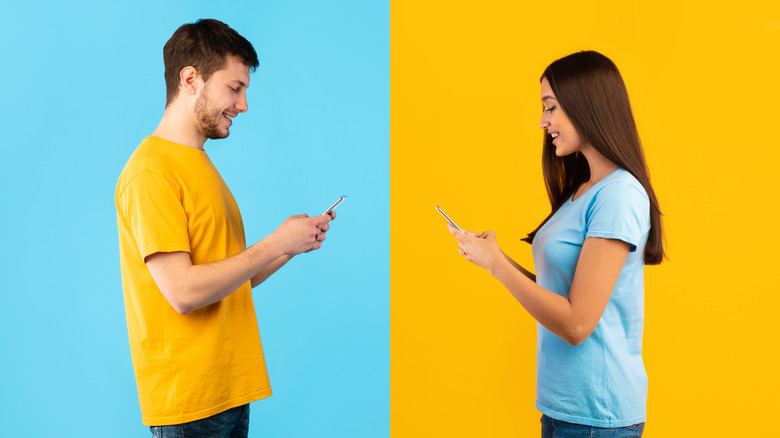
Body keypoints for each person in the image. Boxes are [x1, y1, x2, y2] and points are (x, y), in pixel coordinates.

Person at [115, 19, 335, 437]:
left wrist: (289, 246)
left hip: (229, 392)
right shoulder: (150, 171)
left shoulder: (197, 163)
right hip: (191, 402)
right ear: (190, 79)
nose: (244, 104)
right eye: (235, 88)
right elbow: (183, 292)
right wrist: (273, 243)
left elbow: (226, 279)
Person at [447, 51, 664, 437]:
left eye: (550, 107)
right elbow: (560, 290)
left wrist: (497, 265)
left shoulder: (619, 196)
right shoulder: (583, 190)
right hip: (563, 409)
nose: (543, 121)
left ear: (586, 107)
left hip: (597, 416)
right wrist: (495, 259)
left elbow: (577, 323)